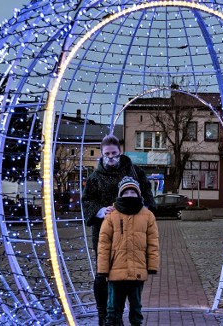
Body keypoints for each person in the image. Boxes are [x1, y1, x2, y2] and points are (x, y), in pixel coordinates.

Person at [82, 134, 156, 325]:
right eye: (107, 154)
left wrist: (145, 207)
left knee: (126, 273)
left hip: (130, 231)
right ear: (102, 153)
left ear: (120, 152)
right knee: (102, 272)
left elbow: (147, 192)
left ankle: (124, 314)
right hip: (103, 230)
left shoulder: (134, 171)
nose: (111, 158)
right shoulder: (95, 177)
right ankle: (104, 315)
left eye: (114, 154)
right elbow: (87, 200)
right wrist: (99, 210)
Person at [97, 177, 159, 326]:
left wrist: (152, 266)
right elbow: (104, 244)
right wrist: (103, 269)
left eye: (133, 192)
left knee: (136, 309)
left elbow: (153, 242)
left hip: (137, 270)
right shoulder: (112, 215)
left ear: (138, 194)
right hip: (115, 271)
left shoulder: (147, 215)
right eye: (126, 192)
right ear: (120, 194)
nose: (130, 195)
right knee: (113, 310)